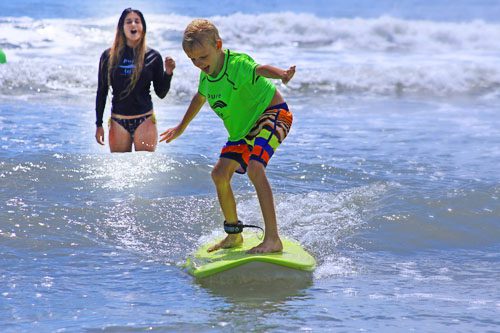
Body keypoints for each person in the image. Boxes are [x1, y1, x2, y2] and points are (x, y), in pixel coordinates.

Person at [160, 19, 295, 254]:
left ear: (218, 45)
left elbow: (259, 69)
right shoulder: (206, 76)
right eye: (193, 60)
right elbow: (199, 98)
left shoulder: (237, 64)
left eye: (203, 57)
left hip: (272, 114)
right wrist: (181, 126)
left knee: (255, 168)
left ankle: (273, 238)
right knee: (219, 174)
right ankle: (233, 235)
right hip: (243, 132)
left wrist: (281, 74)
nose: (199, 64)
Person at [95, 8, 176, 152]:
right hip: (118, 121)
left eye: (137, 21)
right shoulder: (108, 56)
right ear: (122, 27)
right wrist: (99, 124)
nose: (133, 25)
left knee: (146, 169)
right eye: (128, 22)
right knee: (119, 169)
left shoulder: (153, 56)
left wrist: (168, 73)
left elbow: (161, 93)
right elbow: (102, 91)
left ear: (143, 27)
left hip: (144, 119)